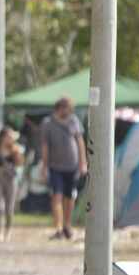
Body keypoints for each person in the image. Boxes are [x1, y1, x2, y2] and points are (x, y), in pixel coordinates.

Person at [40, 97, 87, 240]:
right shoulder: (48, 124)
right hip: (55, 166)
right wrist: (44, 166)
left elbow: (80, 142)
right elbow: (44, 146)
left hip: (72, 165)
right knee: (56, 195)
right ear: (59, 108)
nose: (68, 111)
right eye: (66, 108)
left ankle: (68, 225)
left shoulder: (74, 121)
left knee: (70, 196)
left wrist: (83, 162)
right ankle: (58, 227)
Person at [0, 126, 24, 243]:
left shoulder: (15, 149)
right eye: (9, 136)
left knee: (9, 208)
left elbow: (20, 165)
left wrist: (17, 153)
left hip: (11, 180)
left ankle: (7, 231)